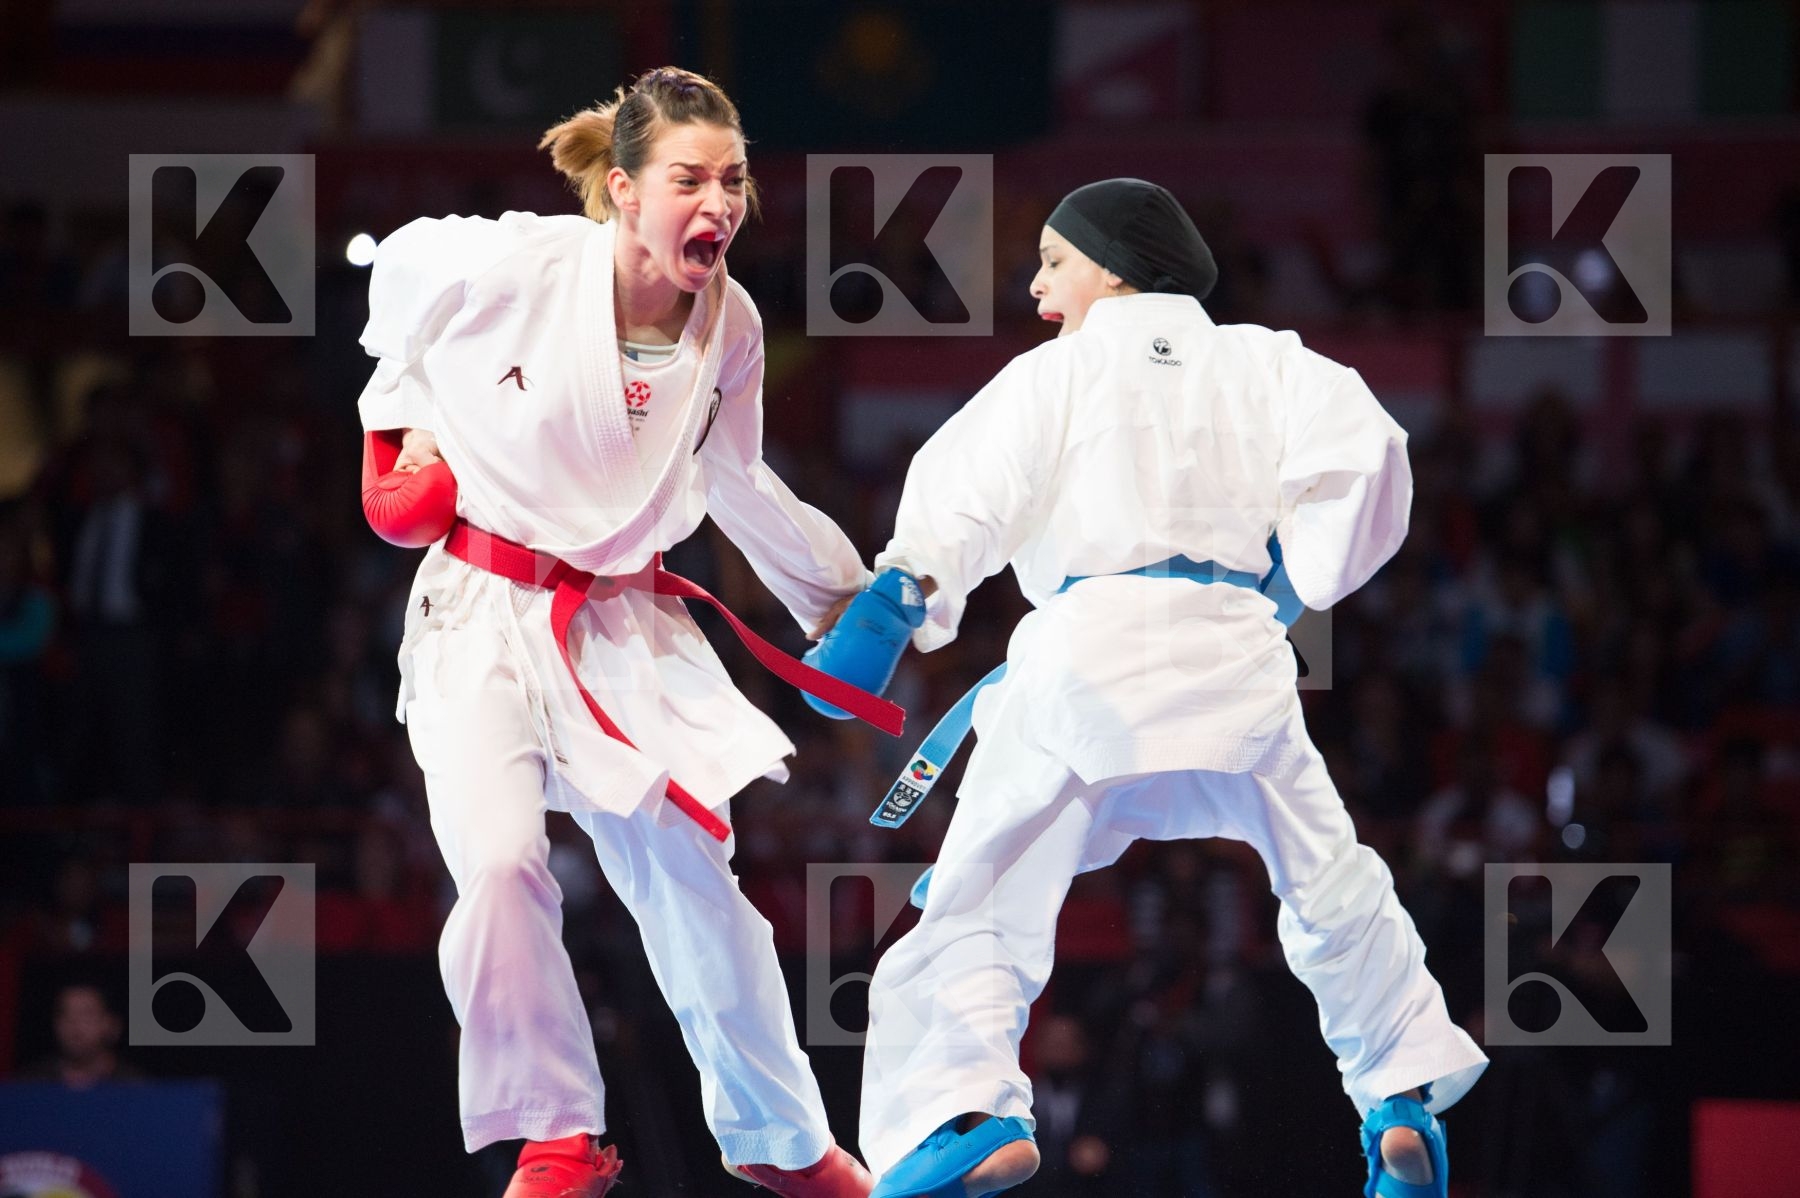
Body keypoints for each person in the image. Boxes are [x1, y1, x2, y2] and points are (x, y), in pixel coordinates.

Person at [839, 179, 1488, 1198]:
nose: (1036, 285)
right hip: (1234, 650)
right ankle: (1401, 1097)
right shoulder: (1270, 361)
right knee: (1330, 877)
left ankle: (964, 1110)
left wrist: (899, 599)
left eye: (1054, 261)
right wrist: (1299, 580)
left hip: (1087, 661)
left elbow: (966, 491)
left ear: (1112, 269)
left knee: (980, 896)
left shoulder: (1057, 373)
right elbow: (1373, 458)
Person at [355, 67, 887, 1198]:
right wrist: (401, 428)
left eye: (733, 180)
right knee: (500, 863)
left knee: (701, 892)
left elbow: (738, 479)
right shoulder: (520, 265)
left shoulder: (731, 320)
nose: (719, 203)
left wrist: (844, 600)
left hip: (624, 626)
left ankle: (782, 1139)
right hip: (483, 611)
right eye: (690, 179)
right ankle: (556, 1133)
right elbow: (394, 270)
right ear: (624, 190)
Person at [16, 983, 145, 1088]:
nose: (75, 1025)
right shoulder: (29, 1085)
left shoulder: (134, 1087)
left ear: (112, 1025)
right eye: (65, 1014)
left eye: (87, 1015)